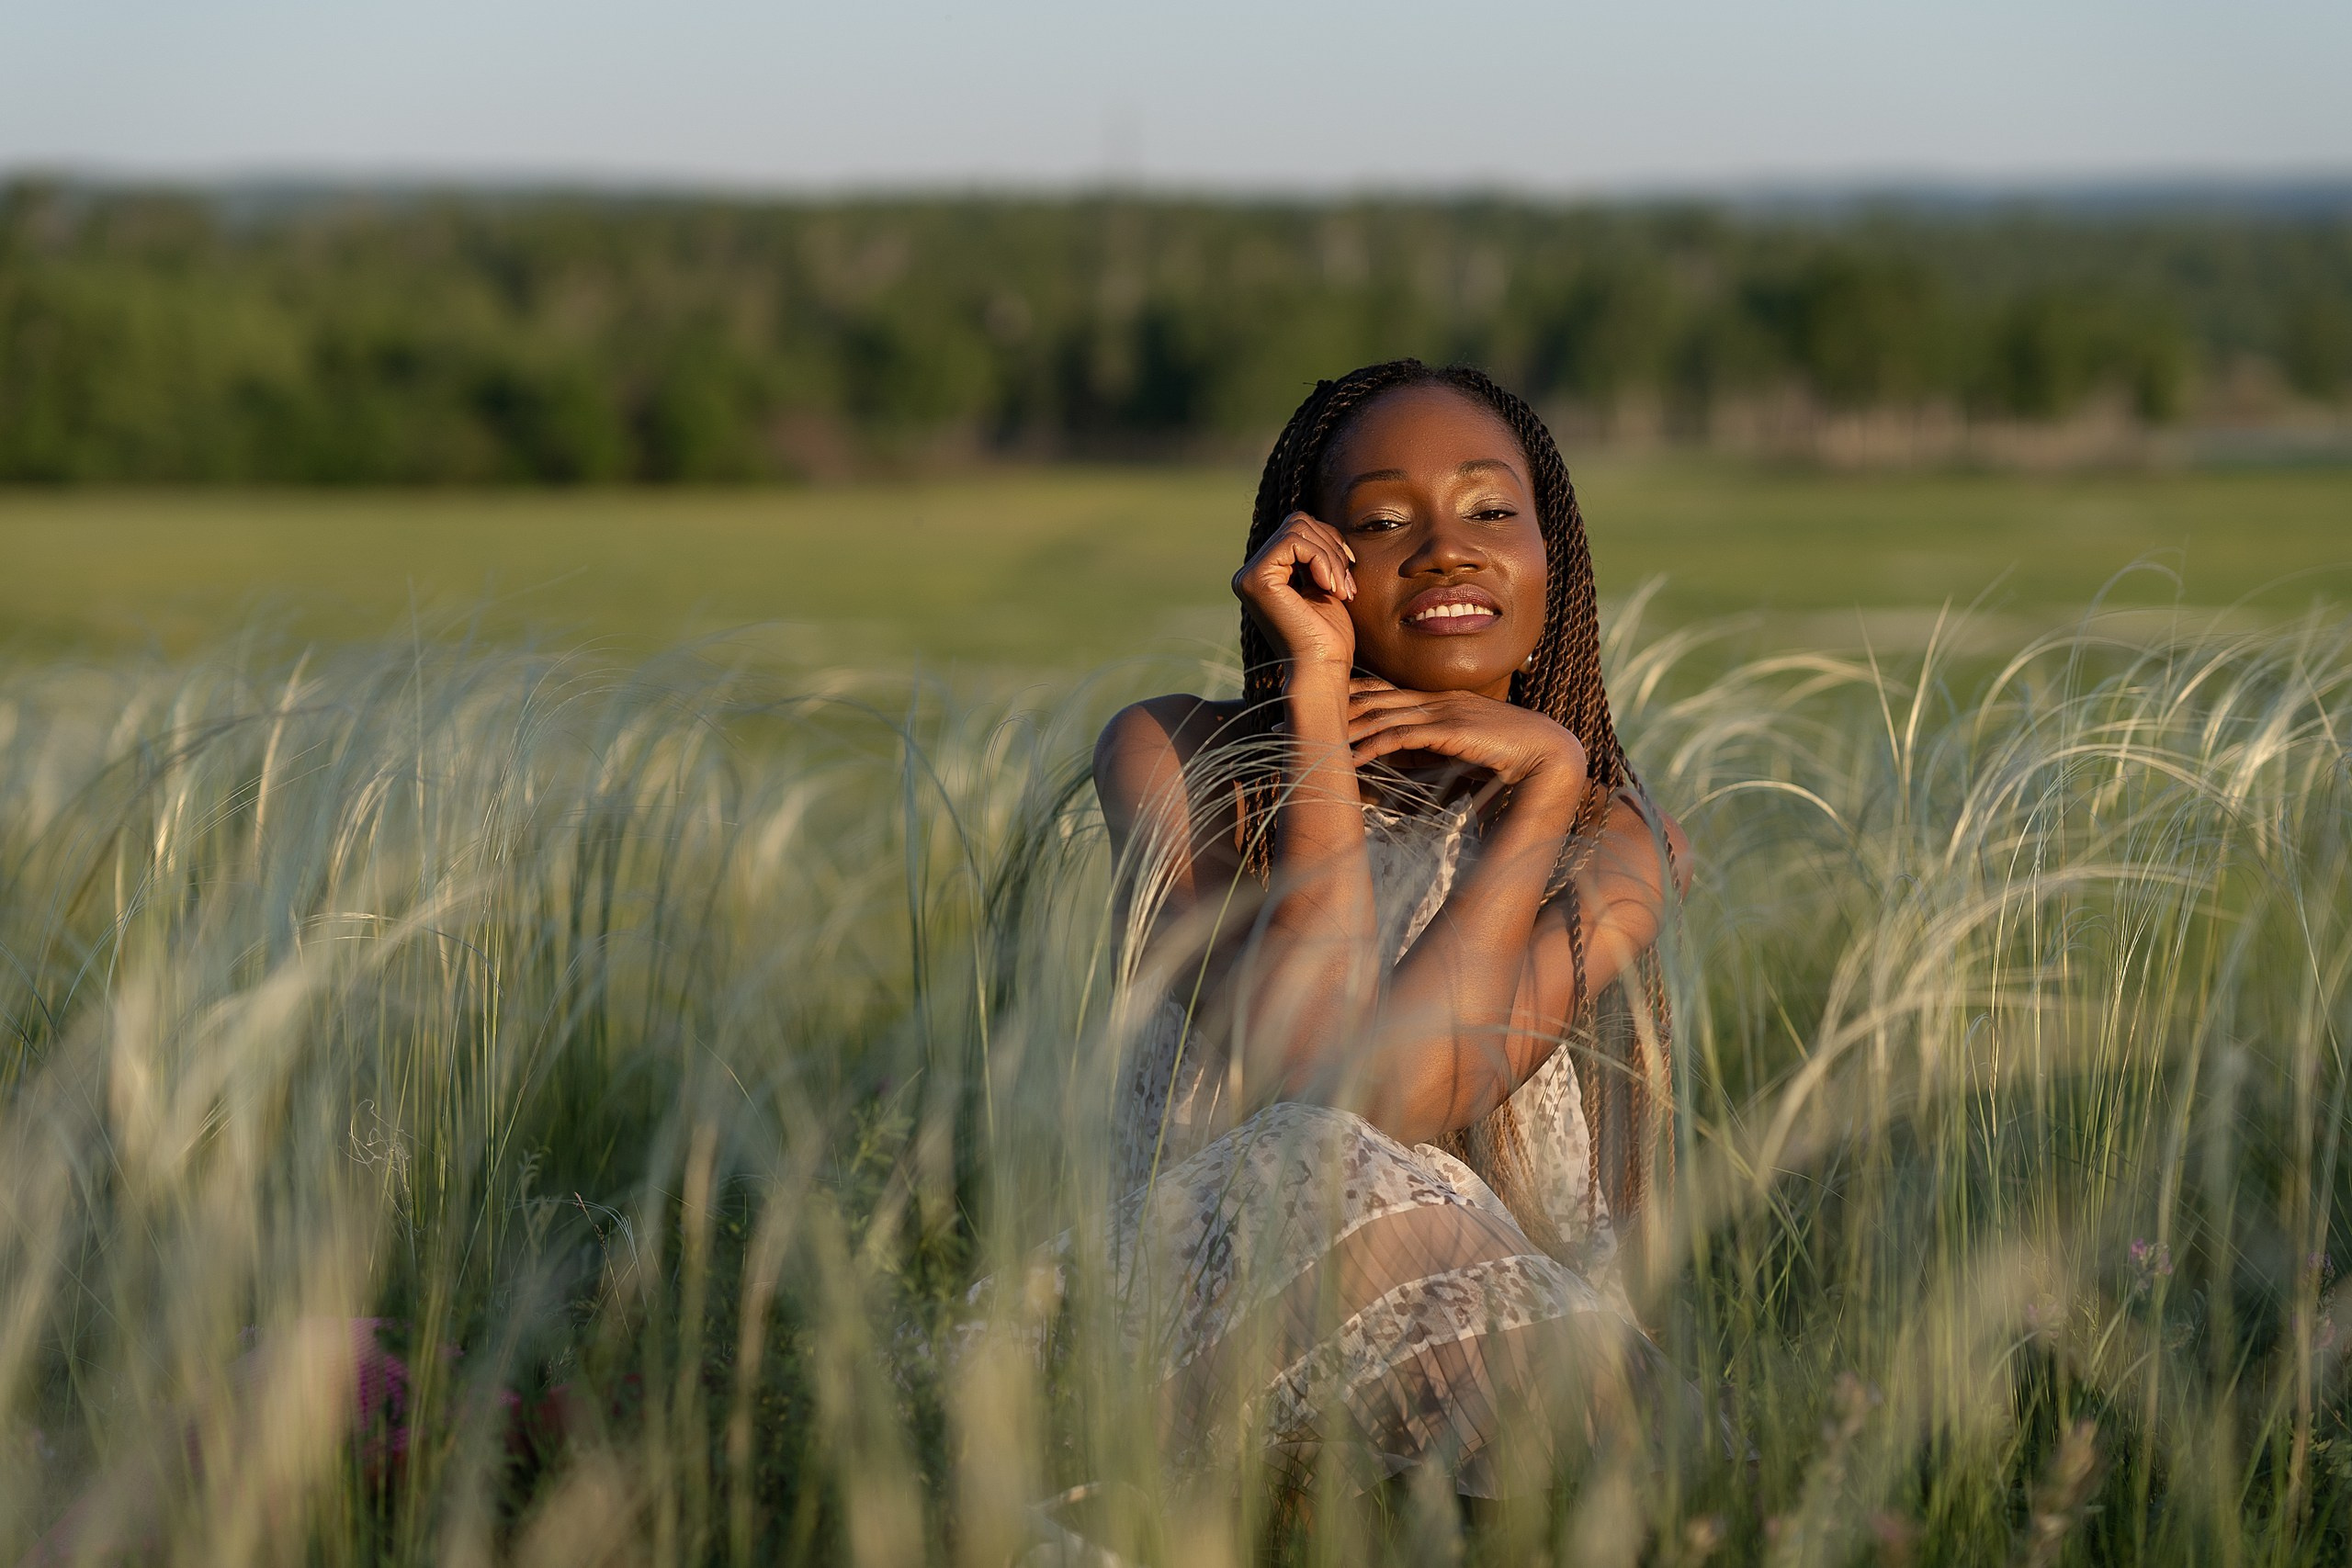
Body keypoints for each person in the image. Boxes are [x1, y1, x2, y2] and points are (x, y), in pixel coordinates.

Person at [1089, 358, 1692, 1499]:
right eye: (1379, 522)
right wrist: (1314, 701)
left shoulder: (1613, 839)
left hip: (1477, 1386)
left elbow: (1409, 1089)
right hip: (1197, 1347)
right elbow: (1326, 1085)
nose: (1446, 549)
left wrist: (1546, 791)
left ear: (1552, 559)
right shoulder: (1177, 761)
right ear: (1312, 564)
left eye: (1490, 511)